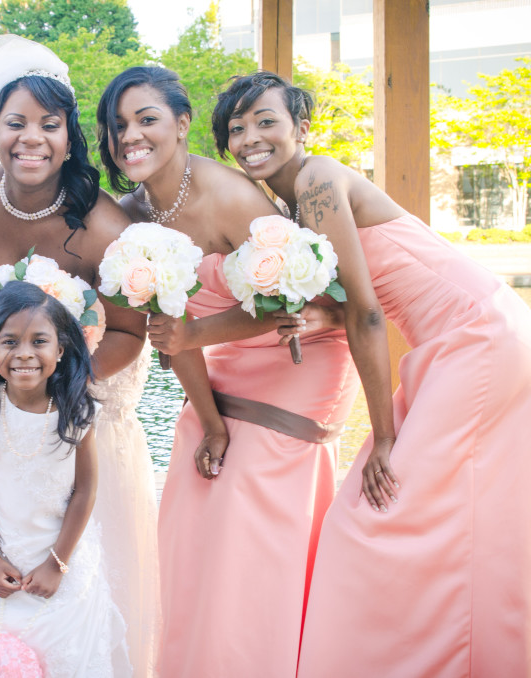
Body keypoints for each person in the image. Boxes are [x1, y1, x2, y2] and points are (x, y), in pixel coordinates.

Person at [213, 70, 531, 677]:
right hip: (461, 342)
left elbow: (368, 313)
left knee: (375, 511)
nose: (250, 137)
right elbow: (355, 298)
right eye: (236, 128)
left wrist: (384, 436)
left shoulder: (317, 180)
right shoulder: (289, 207)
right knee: (457, 512)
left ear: (301, 128)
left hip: (476, 339)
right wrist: (314, 316)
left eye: (265, 121)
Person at [0, 35, 159, 675]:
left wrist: (56, 382)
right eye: (15, 123)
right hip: (1, 431)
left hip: (84, 419)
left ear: (71, 137)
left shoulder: (103, 227)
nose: (31, 137)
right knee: (1, 588)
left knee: (96, 597)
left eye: (49, 124)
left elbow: (128, 332)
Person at [97, 66, 359, 677]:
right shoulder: (132, 217)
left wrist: (196, 335)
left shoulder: (227, 196)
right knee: (192, 514)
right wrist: (210, 421)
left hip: (299, 354)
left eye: (146, 119)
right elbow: (171, 331)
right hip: (222, 365)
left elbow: (298, 300)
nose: (129, 135)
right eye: (117, 126)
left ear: (182, 125)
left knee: (246, 519)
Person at [0, 280, 130, 676]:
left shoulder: (77, 412)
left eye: (38, 341)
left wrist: (57, 564)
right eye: (10, 342)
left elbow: (85, 489)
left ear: (60, 350)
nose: (24, 354)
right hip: (0, 561)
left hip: (61, 559)